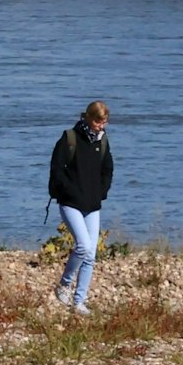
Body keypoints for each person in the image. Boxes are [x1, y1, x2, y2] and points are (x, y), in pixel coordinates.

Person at [48, 100, 113, 313]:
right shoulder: (69, 139)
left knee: (91, 255)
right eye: (97, 121)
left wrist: (101, 192)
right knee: (83, 246)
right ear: (88, 117)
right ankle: (65, 284)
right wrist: (70, 191)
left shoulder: (102, 142)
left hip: (93, 205)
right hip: (70, 203)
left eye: (104, 122)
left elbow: (107, 170)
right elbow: (57, 170)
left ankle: (79, 301)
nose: (100, 126)